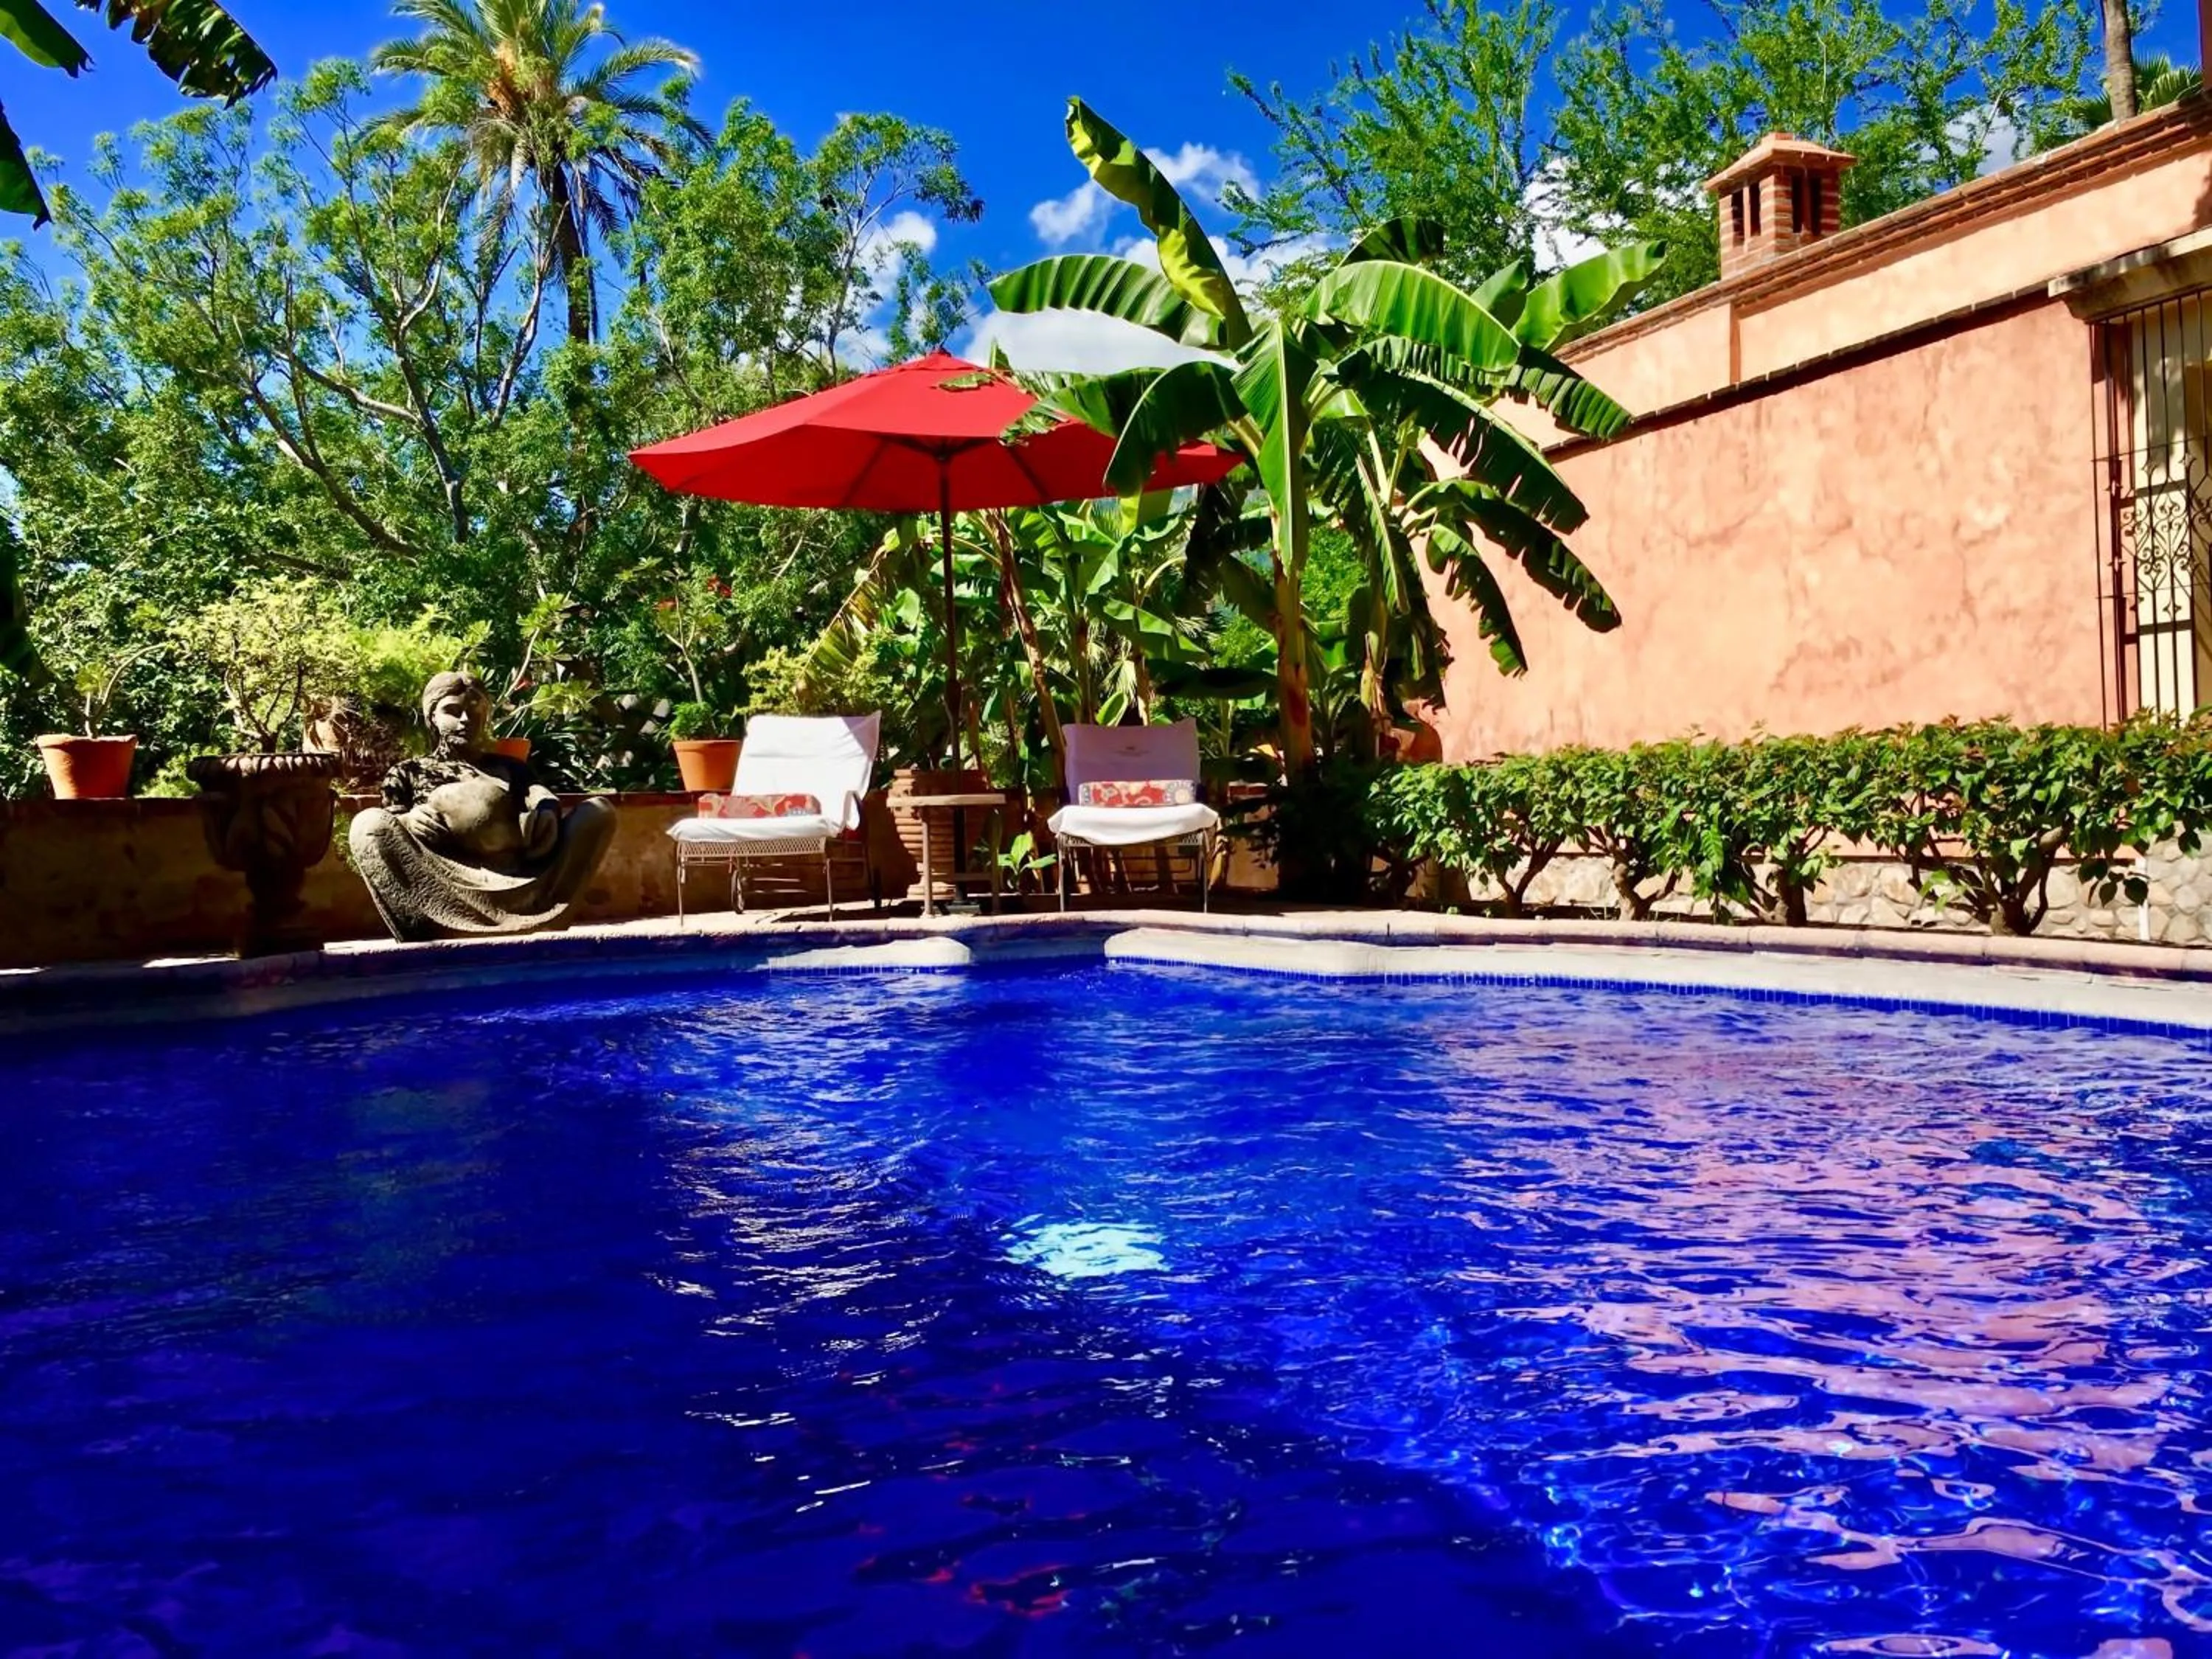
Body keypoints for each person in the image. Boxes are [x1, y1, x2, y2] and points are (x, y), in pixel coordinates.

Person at [349, 672, 616, 942]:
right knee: (368, 825)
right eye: (452, 711)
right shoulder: (409, 771)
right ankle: (447, 922)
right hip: (447, 880)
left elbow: (537, 793)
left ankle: (541, 911)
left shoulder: (509, 767)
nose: (465, 720)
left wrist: (547, 809)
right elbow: (391, 822)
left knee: (598, 812)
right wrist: (408, 820)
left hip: (522, 875)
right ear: (432, 716)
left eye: (475, 711)